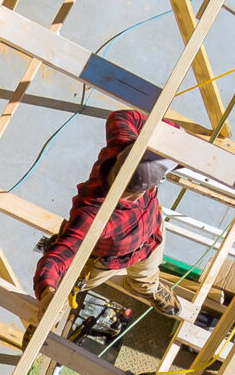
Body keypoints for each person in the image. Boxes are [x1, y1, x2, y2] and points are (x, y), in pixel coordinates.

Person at [33, 108, 191, 324]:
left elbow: (122, 116)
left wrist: (175, 133)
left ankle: (146, 287)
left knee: (147, 276)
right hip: (109, 258)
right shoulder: (93, 216)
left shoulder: (123, 147)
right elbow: (56, 259)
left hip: (151, 236)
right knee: (72, 283)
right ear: (144, 189)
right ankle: (41, 317)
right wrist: (47, 293)